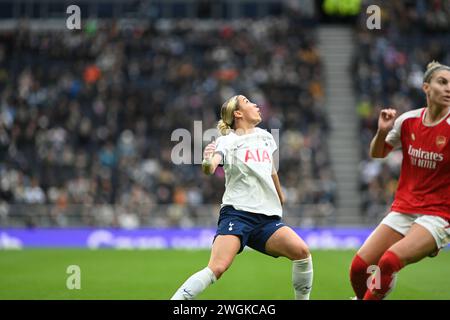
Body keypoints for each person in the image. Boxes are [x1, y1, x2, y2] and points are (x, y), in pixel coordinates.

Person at [171, 95, 313, 300]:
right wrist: (206, 160)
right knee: (217, 268)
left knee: (302, 253)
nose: (255, 104)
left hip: (266, 219)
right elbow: (211, 167)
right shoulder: (227, 140)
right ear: (238, 113)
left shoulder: (266, 137)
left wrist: (280, 196)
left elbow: (271, 170)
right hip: (237, 215)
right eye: (248, 102)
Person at [349, 61, 450, 300]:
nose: (448, 89)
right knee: (359, 268)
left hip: (438, 214)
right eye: (442, 82)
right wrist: (383, 130)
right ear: (426, 87)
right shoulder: (408, 121)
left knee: (389, 260)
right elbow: (378, 152)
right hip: (404, 209)